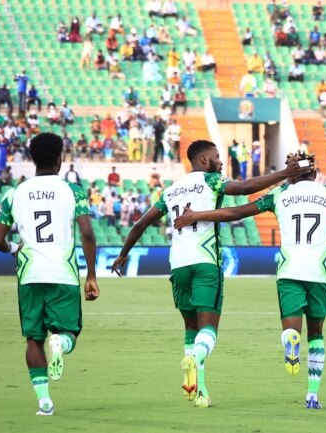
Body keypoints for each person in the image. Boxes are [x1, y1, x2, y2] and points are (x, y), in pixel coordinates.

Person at [172, 151, 326, 410]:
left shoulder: (279, 194)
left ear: (294, 174)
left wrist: (197, 215)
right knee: (316, 333)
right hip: (319, 272)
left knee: (291, 328)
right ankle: (312, 396)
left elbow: (235, 212)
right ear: (314, 173)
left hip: (290, 271)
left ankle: (289, 340)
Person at [110, 140, 311, 408]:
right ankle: (195, 361)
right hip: (205, 261)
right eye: (217, 157)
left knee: (190, 328)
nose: (221, 161)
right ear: (204, 161)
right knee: (208, 330)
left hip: (178, 264)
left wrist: (123, 254)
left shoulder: (170, 191)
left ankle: (200, 389)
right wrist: (286, 173)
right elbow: (243, 189)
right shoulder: (211, 180)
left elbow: (140, 223)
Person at [0, 133, 100, 416]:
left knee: (32, 339)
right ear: (59, 158)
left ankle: (44, 402)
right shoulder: (72, 190)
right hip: (62, 273)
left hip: (29, 275)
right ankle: (60, 342)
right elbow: (87, 232)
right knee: (69, 332)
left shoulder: (14, 193)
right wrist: (91, 275)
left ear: (32, 158)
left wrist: (15, 247)